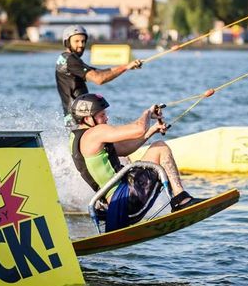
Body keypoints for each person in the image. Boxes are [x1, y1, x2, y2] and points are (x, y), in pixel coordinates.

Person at [69, 93, 204, 232]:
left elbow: (124, 149)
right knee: (161, 147)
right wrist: (148, 112)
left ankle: (180, 199)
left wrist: (151, 130)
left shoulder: (79, 138)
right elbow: (139, 129)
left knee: (154, 149)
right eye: (101, 115)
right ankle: (181, 199)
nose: (106, 118)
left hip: (112, 205)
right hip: (127, 199)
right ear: (87, 118)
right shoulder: (95, 132)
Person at [57, 25, 143, 127]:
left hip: (74, 116)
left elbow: (100, 72)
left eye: (83, 41)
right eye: (77, 41)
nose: (81, 45)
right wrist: (125, 68)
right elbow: (99, 79)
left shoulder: (66, 59)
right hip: (81, 116)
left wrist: (127, 66)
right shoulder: (71, 60)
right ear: (67, 42)